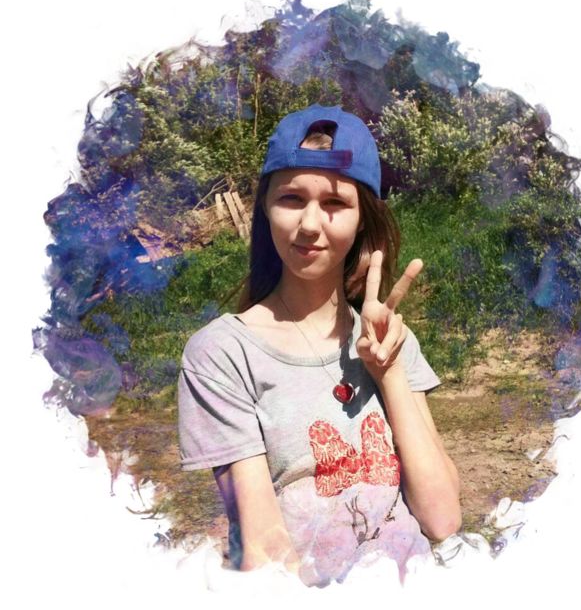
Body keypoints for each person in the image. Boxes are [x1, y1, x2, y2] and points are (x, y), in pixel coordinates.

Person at [177, 103, 461, 587]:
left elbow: (442, 519)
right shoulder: (222, 355)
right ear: (265, 208)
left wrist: (389, 371)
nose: (310, 224)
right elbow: (263, 553)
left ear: (362, 219)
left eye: (334, 203)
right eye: (291, 198)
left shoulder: (391, 341)